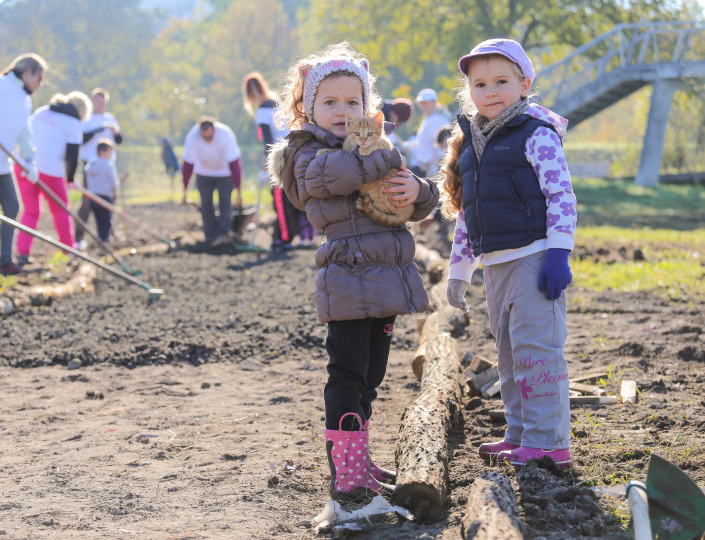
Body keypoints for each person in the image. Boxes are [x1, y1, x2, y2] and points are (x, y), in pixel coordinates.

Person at [268, 42, 439, 500]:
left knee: (371, 377)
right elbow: (331, 177)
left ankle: (360, 459)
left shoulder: (374, 145)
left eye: (352, 102)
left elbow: (419, 201)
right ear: (307, 106)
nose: (342, 111)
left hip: (384, 277)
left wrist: (415, 188)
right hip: (346, 275)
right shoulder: (305, 152)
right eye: (330, 102)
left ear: (367, 105)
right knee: (346, 373)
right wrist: (389, 159)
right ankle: (345, 473)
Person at [439, 38, 577, 468]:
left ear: (525, 83)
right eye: (480, 84)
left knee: (537, 351)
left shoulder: (535, 133)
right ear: (469, 92)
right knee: (509, 355)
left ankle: (550, 442)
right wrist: (459, 271)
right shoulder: (473, 142)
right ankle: (520, 433)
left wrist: (559, 254)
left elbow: (561, 195)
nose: (490, 91)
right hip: (495, 266)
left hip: (535, 258)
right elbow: (466, 213)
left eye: (501, 81)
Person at [0, 52, 47, 275]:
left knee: (12, 208)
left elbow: (25, 131)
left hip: (3, 163)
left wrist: (29, 159)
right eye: (39, 78)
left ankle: (5, 261)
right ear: (28, 73)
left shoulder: (25, 100)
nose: (40, 84)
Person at [14, 91, 91, 262]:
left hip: (23, 164)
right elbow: (72, 157)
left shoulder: (42, 111)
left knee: (31, 211)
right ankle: (69, 250)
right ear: (82, 111)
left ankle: (22, 253)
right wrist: (70, 179)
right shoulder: (73, 123)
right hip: (49, 169)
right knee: (61, 210)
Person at [242, 71, 308, 251]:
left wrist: (265, 170)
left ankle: (283, 239)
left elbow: (269, 143)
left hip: (281, 159)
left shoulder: (263, 111)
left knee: (280, 202)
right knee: (290, 200)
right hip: (296, 154)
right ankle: (285, 237)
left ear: (249, 95)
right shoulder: (280, 106)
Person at [180, 116, 243, 245]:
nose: (207, 139)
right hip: (204, 174)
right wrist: (185, 190)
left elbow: (234, 164)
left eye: (209, 137)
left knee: (225, 203)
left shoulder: (225, 135)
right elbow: (188, 166)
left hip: (225, 174)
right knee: (206, 204)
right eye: (204, 137)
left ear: (214, 130)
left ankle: (224, 235)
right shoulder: (193, 137)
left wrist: (239, 191)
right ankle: (209, 235)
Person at [75, 88, 122, 249]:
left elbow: (120, 140)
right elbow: (81, 138)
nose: (100, 104)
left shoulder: (110, 119)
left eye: (102, 102)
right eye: (97, 101)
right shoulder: (86, 119)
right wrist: (97, 130)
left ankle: (107, 234)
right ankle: (79, 236)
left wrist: (115, 133)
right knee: (88, 201)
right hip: (90, 165)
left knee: (109, 200)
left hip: (108, 166)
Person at [84, 138, 119, 242]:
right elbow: (113, 182)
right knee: (106, 221)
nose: (110, 155)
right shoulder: (107, 166)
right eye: (109, 152)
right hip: (105, 197)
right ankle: (104, 242)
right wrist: (114, 191)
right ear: (102, 152)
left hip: (93, 197)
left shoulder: (91, 165)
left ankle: (100, 239)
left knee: (99, 221)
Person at [412, 88, 451, 178]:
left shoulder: (436, 118)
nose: (424, 106)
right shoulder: (428, 118)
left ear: (434, 102)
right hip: (430, 167)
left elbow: (442, 144)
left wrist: (440, 167)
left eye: (427, 102)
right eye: (422, 103)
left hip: (436, 167)